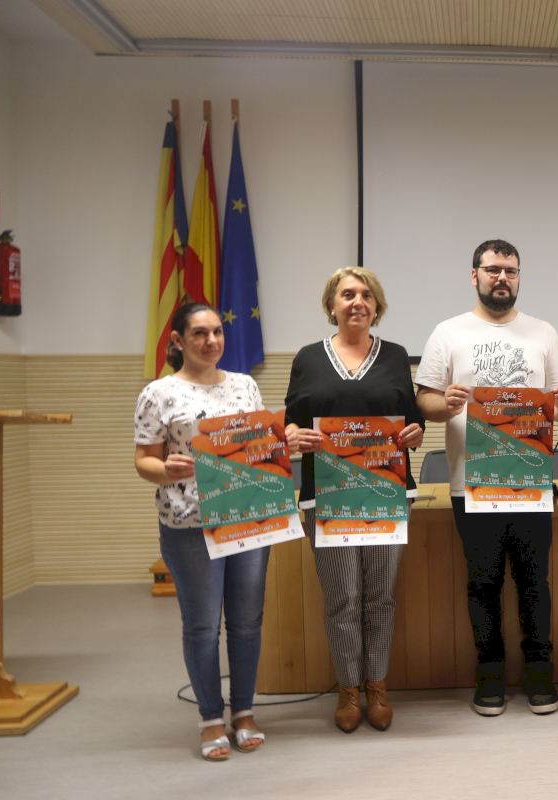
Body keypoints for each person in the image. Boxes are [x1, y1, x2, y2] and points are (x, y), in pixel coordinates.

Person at [415, 239, 558, 716]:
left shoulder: (543, 332)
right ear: (475, 276)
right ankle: (489, 675)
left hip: (530, 481)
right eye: (493, 269)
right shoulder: (447, 332)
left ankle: (540, 672)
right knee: (482, 583)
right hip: (471, 483)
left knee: (534, 582)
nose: (502, 277)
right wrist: (443, 403)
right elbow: (424, 400)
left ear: (519, 277)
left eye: (510, 270)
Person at [284, 267, 425, 733]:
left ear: (376, 306)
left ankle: (377, 685)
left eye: (366, 294)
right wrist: (294, 436)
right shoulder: (308, 358)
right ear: (332, 304)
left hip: (386, 493)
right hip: (326, 496)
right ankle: (348, 689)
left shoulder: (396, 355)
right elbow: (289, 421)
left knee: (380, 597)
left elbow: (412, 421)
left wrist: (414, 433)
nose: (357, 301)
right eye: (347, 294)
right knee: (343, 597)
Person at [133, 302, 269, 761]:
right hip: (189, 524)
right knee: (203, 624)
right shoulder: (158, 393)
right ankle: (211, 717)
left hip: (248, 518)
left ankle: (244, 711)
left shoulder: (245, 385)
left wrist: (279, 444)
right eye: (199, 333)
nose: (211, 341)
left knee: (247, 622)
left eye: (217, 332)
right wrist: (165, 468)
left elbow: (257, 447)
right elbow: (144, 461)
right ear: (178, 340)